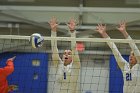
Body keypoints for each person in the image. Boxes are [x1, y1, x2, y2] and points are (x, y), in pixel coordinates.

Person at [96, 22, 140, 93]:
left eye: (133, 54)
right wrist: (104, 34)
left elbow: (134, 47)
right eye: (130, 54)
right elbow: (114, 50)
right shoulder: (125, 66)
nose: (131, 56)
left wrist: (124, 32)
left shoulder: (139, 66)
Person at [49, 17, 80, 93]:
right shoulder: (58, 64)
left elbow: (74, 48)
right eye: (64, 53)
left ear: (72, 57)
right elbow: (54, 48)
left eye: (69, 54)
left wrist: (72, 32)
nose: (66, 55)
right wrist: (53, 31)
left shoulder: (76, 65)